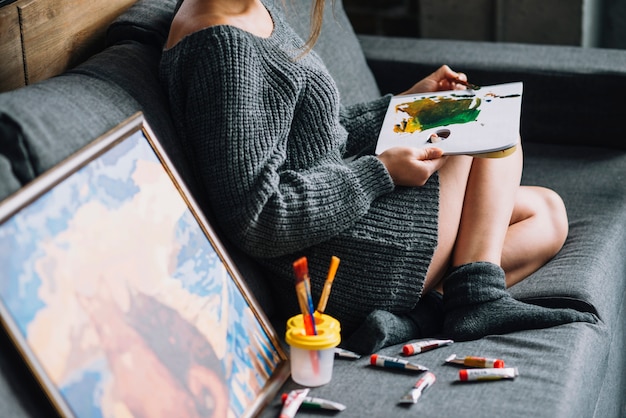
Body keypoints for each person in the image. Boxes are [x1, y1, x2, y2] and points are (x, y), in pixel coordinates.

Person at [160, 0, 596, 354]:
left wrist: (404, 105)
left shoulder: (249, 8)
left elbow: (320, 138)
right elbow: (259, 216)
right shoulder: (222, 47)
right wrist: (380, 172)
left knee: (548, 214)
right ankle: (476, 298)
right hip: (339, 260)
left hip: (343, 219)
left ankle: (423, 317)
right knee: (483, 126)